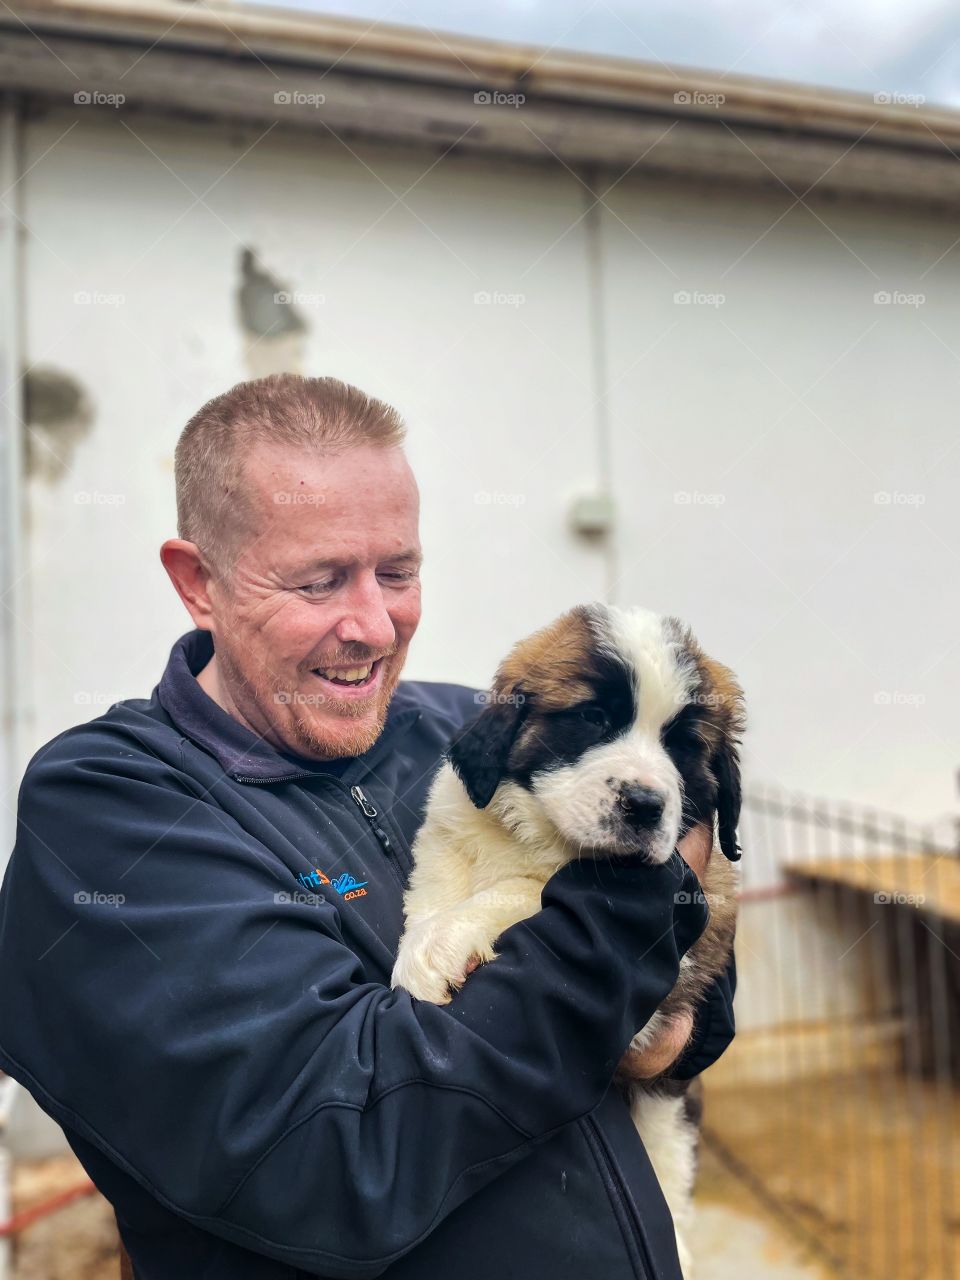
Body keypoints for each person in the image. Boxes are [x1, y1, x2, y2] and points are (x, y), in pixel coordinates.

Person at [0, 375, 735, 1279]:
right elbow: (346, 1158)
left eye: (398, 571)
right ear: (199, 583)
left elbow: (686, 950)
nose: (373, 625)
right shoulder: (113, 811)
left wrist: (680, 1019)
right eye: (317, 580)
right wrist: (631, 919)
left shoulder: (461, 728)